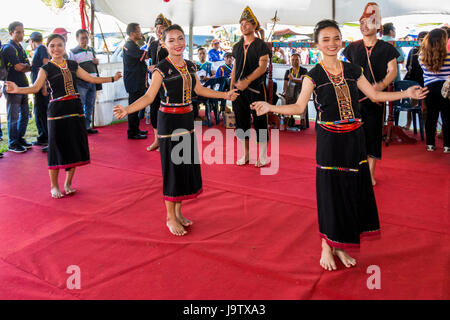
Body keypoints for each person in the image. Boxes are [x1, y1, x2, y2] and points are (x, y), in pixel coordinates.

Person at [251, 19, 427, 272]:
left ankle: (341, 244)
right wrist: (270, 107)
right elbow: (299, 108)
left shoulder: (354, 70)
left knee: (351, 192)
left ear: (342, 41)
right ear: (316, 44)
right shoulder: (313, 76)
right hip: (330, 141)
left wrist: (406, 94)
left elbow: (376, 96)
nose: (332, 43)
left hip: (355, 138)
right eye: (326, 39)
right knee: (331, 194)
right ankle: (326, 245)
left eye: (336, 38)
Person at [113, 24, 239, 236]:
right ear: (163, 43)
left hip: (186, 120)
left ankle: (179, 213)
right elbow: (148, 97)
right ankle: (170, 217)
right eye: (171, 40)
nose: (177, 43)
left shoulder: (190, 66)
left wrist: (224, 95)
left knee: (183, 168)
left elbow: (199, 89)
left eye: (180, 38)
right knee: (172, 170)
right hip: (169, 122)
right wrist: (127, 109)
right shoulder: (160, 68)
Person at [5, 34, 122, 198]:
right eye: (52, 46)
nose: (56, 49)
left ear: (65, 46)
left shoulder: (73, 65)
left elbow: (90, 79)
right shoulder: (45, 69)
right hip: (57, 111)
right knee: (56, 147)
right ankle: (54, 185)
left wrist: (112, 78)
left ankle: (68, 183)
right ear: (48, 48)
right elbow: (35, 88)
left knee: (73, 145)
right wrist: (17, 89)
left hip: (75, 108)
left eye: (59, 45)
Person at [342, 2, 400, 186]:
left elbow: (393, 71)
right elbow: (344, 69)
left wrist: (381, 85)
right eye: (362, 23)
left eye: (368, 22)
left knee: (373, 136)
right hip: (355, 98)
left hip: (376, 99)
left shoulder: (387, 48)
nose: (364, 26)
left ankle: (370, 175)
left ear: (378, 26)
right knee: (352, 135)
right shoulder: (352, 47)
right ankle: (354, 170)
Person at [231, 6, 271, 167]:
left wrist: (246, 81)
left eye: (247, 23)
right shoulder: (237, 46)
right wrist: (231, 87)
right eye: (241, 23)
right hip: (238, 92)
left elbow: (263, 67)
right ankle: (245, 154)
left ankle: (262, 156)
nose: (243, 26)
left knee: (260, 122)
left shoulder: (262, 45)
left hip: (256, 90)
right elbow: (235, 68)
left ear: (255, 25)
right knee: (241, 123)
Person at [419, 28, 450, 153]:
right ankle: (447, 146)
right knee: (447, 117)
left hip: (429, 88)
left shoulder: (421, 56)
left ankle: (430, 144)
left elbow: (424, 71)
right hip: (446, 89)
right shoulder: (448, 55)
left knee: (431, 116)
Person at [2, 21, 31, 153]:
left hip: (23, 85)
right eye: (18, 32)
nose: (21, 34)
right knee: (13, 116)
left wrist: (25, 66)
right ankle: (13, 143)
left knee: (25, 114)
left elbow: (26, 67)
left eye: (22, 32)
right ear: (11, 33)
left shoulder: (20, 47)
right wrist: (25, 66)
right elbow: (20, 67)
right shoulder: (9, 48)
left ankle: (19, 138)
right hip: (12, 86)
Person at [146, 14, 171, 151]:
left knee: (165, 111)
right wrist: (151, 69)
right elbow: (151, 61)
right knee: (153, 109)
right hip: (155, 81)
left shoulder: (170, 43)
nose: (158, 30)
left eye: (162, 28)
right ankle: (156, 140)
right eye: (157, 28)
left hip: (168, 82)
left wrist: (166, 45)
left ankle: (165, 140)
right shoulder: (153, 44)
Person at [69, 29, 99, 134]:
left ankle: (87, 126)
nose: (85, 40)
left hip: (93, 81)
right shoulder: (73, 52)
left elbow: (94, 63)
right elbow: (72, 68)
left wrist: (97, 62)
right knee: (80, 105)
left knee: (90, 105)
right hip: (81, 82)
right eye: (82, 38)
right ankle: (79, 127)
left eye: (86, 37)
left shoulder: (92, 50)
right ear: (77, 39)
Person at [123, 23, 149, 140]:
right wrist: (151, 46)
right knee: (133, 107)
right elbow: (143, 56)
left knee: (136, 106)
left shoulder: (133, 45)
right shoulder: (129, 45)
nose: (141, 33)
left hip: (137, 81)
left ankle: (135, 129)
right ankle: (132, 132)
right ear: (132, 34)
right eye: (139, 31)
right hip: (133, 81)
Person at [29, 32, 50, 152]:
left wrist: (43, 86)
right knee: (39, 111)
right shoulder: (40, 49)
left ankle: (46, 137)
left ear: (32, 41)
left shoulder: (41, 48)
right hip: (39, 85)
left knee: (42, 112)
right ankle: (43, 136)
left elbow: (45, 65)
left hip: (41, 86)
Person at [403, 31, 428, 130]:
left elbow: (407, 65)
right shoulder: (427, 52)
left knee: (413, 104)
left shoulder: (413, 51)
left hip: (414, 81)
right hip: (423, 81)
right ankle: (425, 127)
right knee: (424, 106)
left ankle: (409, 124)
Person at [282, 53, 308, 127]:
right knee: (283, 98)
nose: (294, 61)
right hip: (290, 92)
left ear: (300, 61)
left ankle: (302, 119)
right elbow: (285, 84)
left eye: (297, 60)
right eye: (293, 60)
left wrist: (293, 79)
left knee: (303, 97)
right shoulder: (288, 71)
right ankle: (286, 117)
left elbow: (303, 80)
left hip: (300, 92)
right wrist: (285, 92)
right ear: (290, 61)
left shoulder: (304, 70)